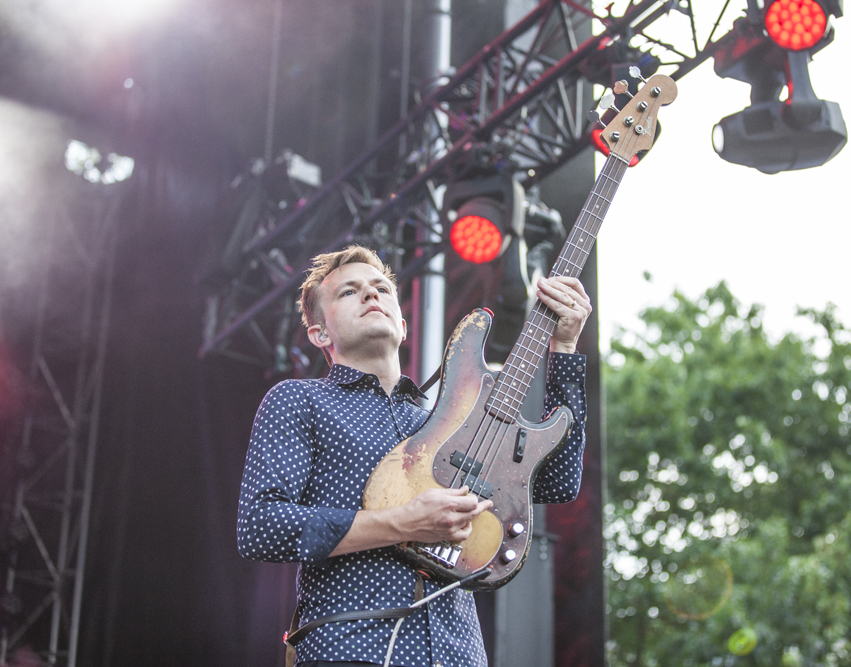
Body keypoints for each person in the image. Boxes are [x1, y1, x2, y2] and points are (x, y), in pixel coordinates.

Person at [237, 245, 590, 667]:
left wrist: (564, 346)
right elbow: (260, 526)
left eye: (381, 288)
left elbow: (556, 482)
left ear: (403, 326)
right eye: (349, 292)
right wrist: (402, 523)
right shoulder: (300, 400)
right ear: (320, 334)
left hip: (459, 656)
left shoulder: (447, 420)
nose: (371, 295)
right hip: (351, 649)